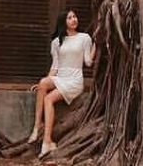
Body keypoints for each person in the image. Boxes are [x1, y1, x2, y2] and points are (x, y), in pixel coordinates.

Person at [27, 8, 97, 157]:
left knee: (49, 98)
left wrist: (96, 46)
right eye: (70, 18)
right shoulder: (56, 42)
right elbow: (55, 67)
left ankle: (47, 142)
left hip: (74, 80)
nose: (74, 19)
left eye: (75, 17)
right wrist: (44, 83)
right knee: (42, 83)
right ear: (63, 22)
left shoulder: (85, 38)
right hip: (61, 77)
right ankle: (36, 127)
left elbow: (88, 62)